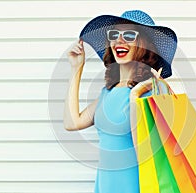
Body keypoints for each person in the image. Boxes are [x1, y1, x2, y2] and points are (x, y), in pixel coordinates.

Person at [63, 10, 177, 193]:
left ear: (145, 46)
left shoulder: (151, 92)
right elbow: (72, 123)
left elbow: (147, 154)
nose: (119, 40)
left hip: (136, 186)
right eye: (115, 34)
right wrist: (77, 68)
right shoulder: (108, 92)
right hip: (106, 186)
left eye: (130, 35)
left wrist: (135, 96)